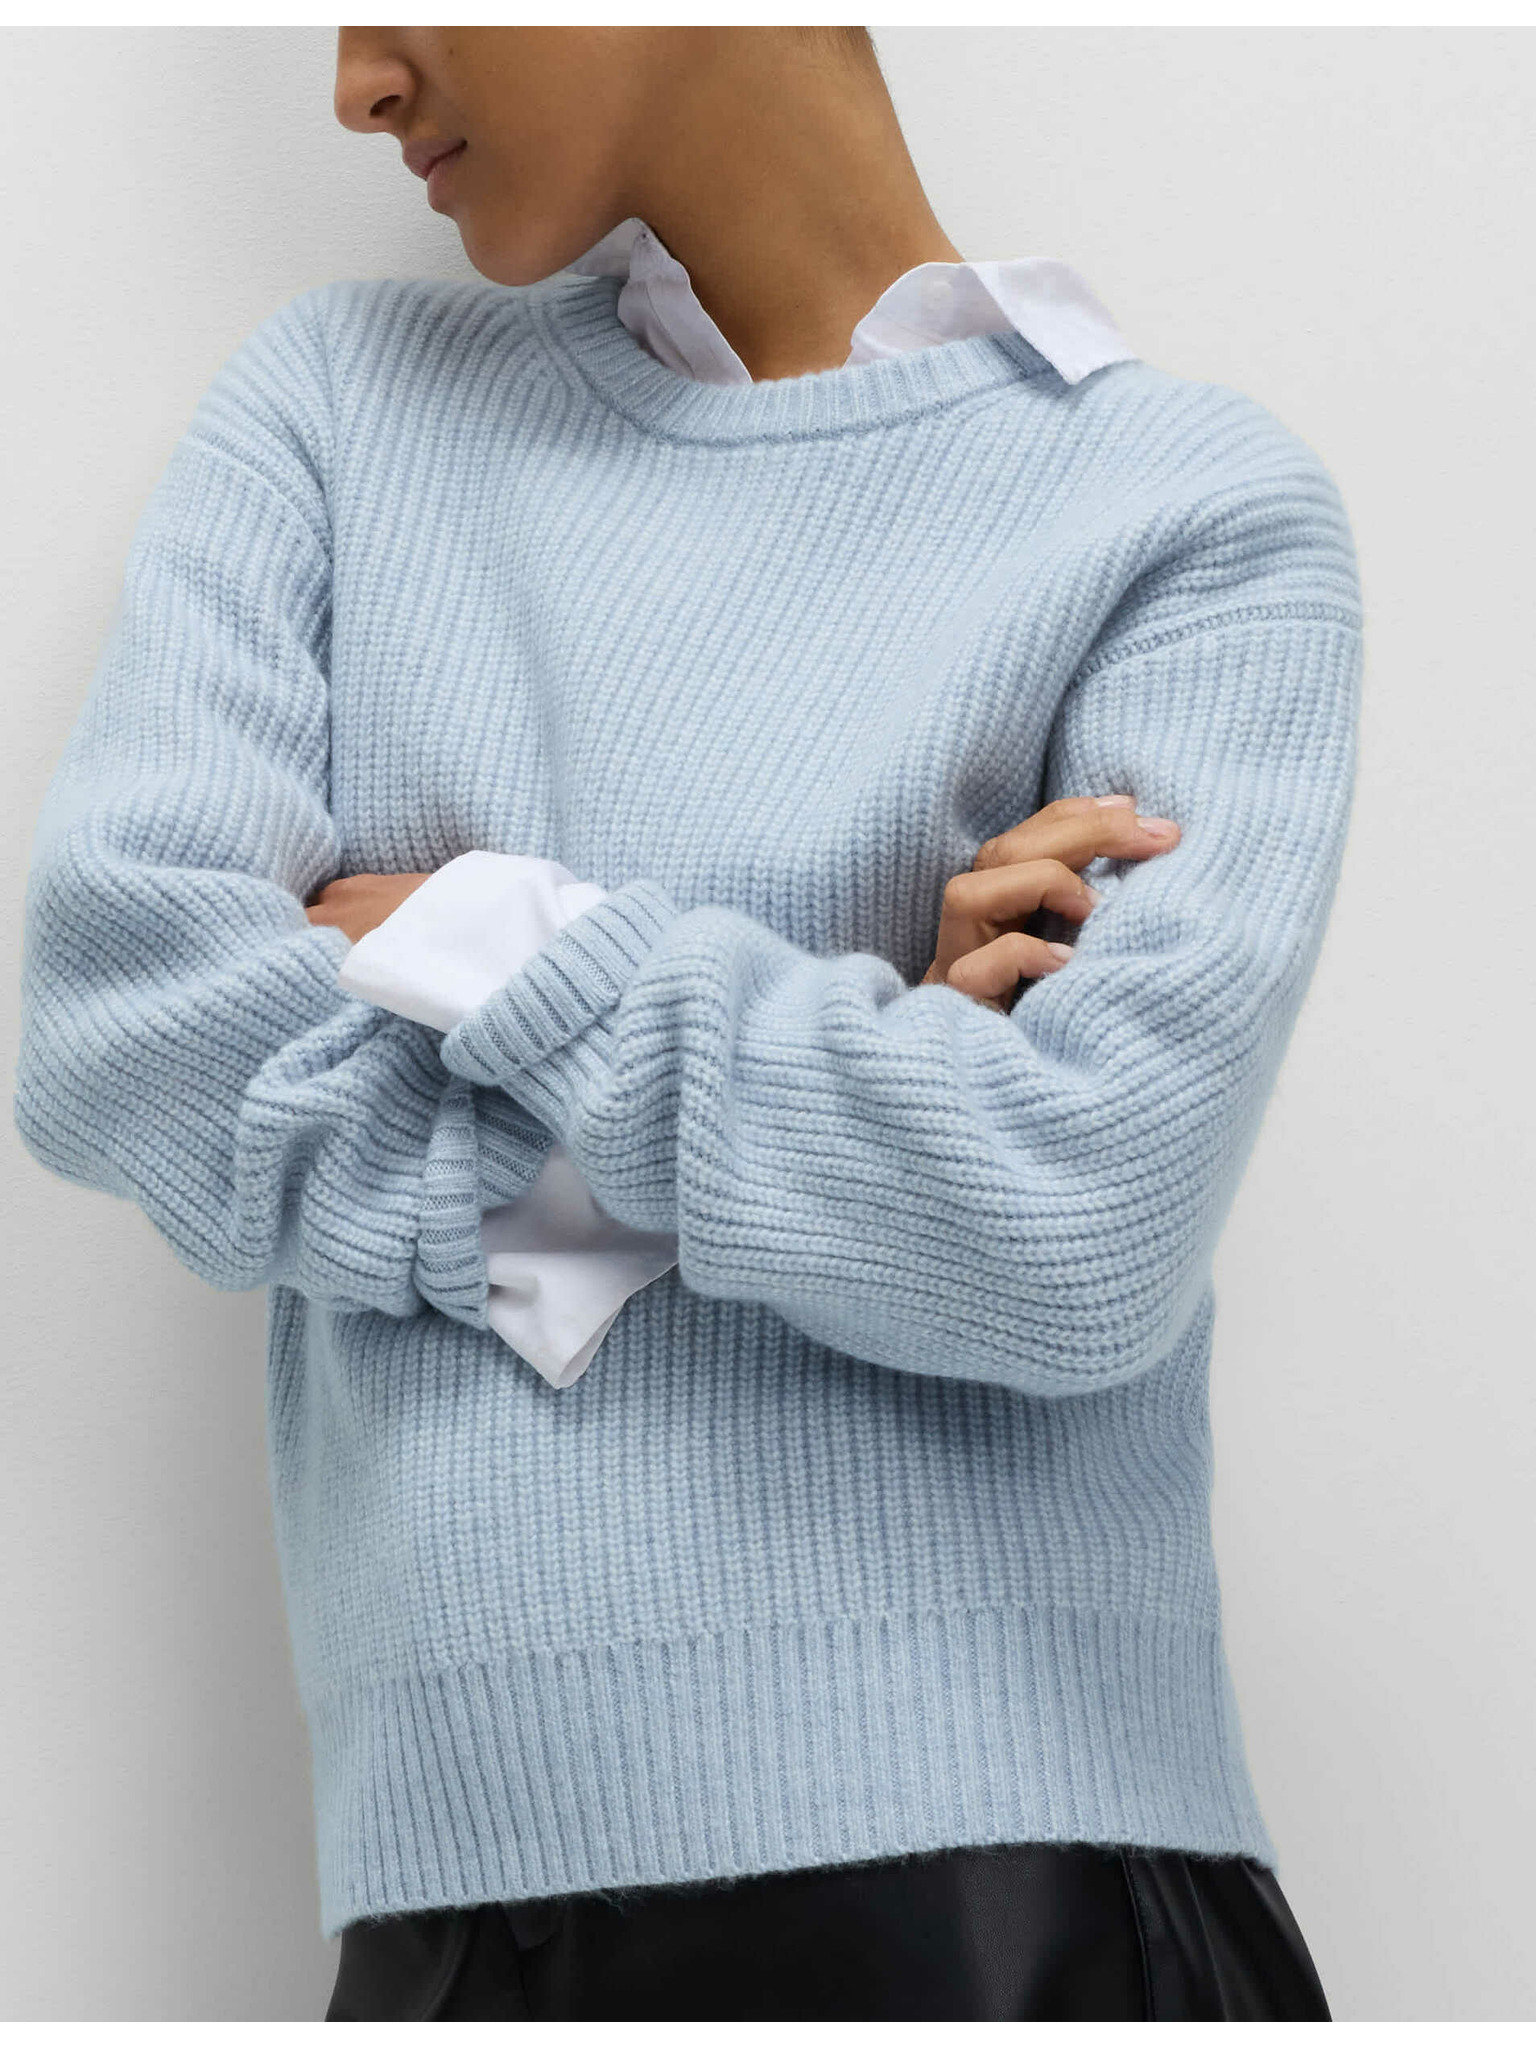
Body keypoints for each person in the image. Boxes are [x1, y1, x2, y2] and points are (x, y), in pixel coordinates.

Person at [13, 25, 1358, 2022]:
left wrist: (502, 938)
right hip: (458, 1912)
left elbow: (1078, 1229)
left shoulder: (1187, 506)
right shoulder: (338, 411)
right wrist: (862, 1068)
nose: (357, 84)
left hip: (1017, 1897)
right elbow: (118, 1021)